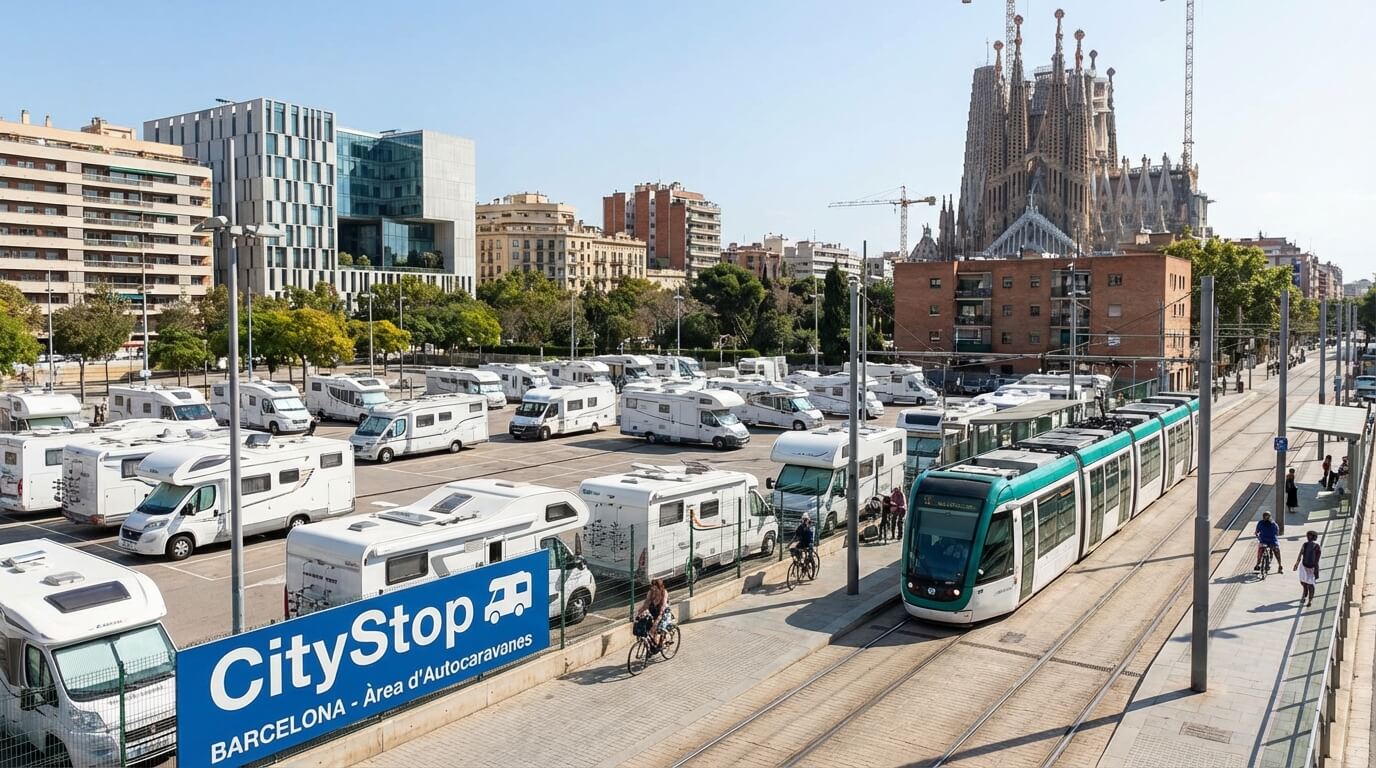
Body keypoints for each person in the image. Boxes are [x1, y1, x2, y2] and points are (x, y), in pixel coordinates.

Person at [636, 578, 671, 649]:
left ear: (659, 587)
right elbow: (646, 603)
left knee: (660, 627)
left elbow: (662, 609)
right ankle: (653, 644)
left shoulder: (664, 593)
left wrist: (656, 622)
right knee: (648, 626)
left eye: (656, 588)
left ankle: (662, 642)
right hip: (654, 610)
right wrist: (639, 613)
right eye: (653, 588)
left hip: (663, 612)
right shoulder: (651, 592)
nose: (654, 590)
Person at [1295, 531, 1321, 607]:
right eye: (1307, 536)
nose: (1308, 538)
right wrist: (1297, 563)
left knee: (1310, 584)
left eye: (1309, 536)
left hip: (1311, 568)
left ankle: (1310, 599)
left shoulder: (1317, 547)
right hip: (1304, 566)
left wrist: (1315, 570)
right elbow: (1300, 554)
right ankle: (1305, 594)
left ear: (1313, 537)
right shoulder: (1305, 545)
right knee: (1303, 582)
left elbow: (1317, 559)